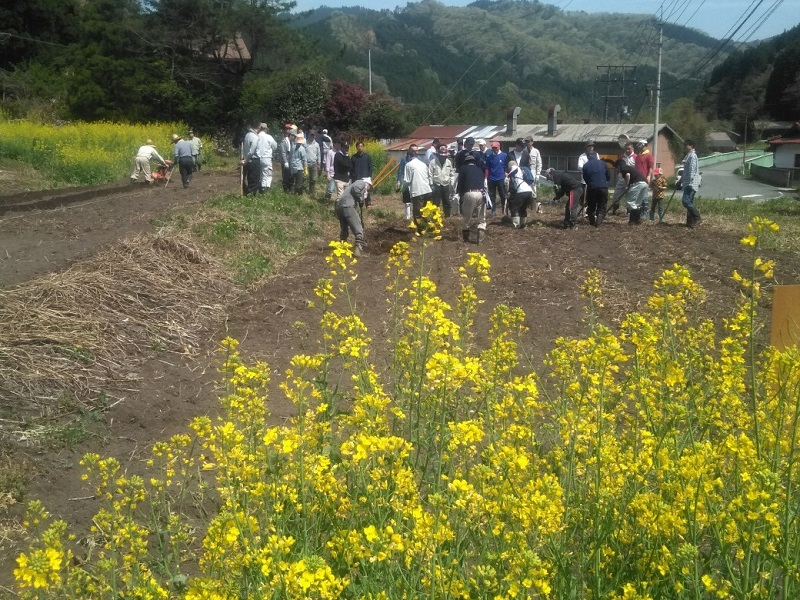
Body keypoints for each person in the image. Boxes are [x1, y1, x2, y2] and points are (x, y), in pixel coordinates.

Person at [335, 177, 372, 257]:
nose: (368, 191)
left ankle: (342, 247)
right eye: (369, 188)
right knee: (358, 227)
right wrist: (361, 199)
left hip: (340, 207)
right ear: (368, 184)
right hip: (347, 206)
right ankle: (359, 250)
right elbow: (356, 189)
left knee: (344, 228)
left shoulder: (351, 186)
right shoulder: (361, 183)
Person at [456, 153, 487, 243]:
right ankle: (480, 239)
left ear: (466, 162)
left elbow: (460, 183)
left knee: (467, 217)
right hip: (481, 193)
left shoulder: (463, 169)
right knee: (481, 218)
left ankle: (466, 239)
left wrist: (460, 194)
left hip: (469, 193)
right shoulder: (479, 170)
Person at [402, 146, 432, 227]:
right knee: (426, 212)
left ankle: (420, 231)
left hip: (418, 191)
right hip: (428, 190)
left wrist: (402, 188)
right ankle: (430, 228)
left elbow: (407, 180)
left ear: (408, 156)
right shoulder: (423, 164)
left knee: (417, 213)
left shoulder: (408, 165)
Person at [616, 159, 649, 225]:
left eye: (617, 167)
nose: (617, 170)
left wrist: (626, 185)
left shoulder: (624, 168)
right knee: (637, 203)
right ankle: (637, 220)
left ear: (619, 166)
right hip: (644, 183)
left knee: (630, 202)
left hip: (637, 183)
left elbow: (628, 175)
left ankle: (632, 220)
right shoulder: (629, 167)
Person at [581, 154, 610, 227]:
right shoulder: (603, 163)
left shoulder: (586, 166)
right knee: (602, 204)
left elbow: (585, 177)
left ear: (588, 158)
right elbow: (608, 175)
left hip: (592, 188)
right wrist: (605, 181)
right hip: (603, 187)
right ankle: (598, 222)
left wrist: (589, 183)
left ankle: (592, 222)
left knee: (591, 205)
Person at [609, 142, 636, 214]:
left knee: (630, 196)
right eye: (626, 149)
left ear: (632, 148)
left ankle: (629, 211)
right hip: (621, 179)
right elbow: (618, 167)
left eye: (629, 149)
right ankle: (615, 210)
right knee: (616, 195)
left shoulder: (636, 157)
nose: (627, 150)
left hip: (631, 180)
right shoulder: (621, 157)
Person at [679, 139, 702, 228]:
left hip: (691, 182)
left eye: (686, 145)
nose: (685, 147)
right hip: (688, 181)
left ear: (691, 146)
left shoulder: (692, 156)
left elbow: (692, 169)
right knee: (690, 202)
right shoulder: (689, 156)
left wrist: (690, 182)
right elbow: (685, 170)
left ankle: (697, 217)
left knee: (686, 201)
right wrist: (681, 180)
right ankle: (690, 222)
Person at [429, 144, 455, 217]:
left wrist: (452, 184)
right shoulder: (433, 162)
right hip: (436, 185)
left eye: (444, 156)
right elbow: (430, 174)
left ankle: (447, 216)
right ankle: (435, 217)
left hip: (446, 185)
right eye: (441, 155)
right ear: (438, 155)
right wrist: (431, 185)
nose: (443, 157)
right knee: (436, 203)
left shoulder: (449, 162)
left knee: (446, 202)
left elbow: (452, 174)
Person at [506, 160, 534, 229]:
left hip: (521, 191)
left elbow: (510, 184)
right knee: (523, 209)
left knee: (514, 208)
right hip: (529, 190)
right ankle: (523, 224)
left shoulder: (514, 168)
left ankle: (516, 225)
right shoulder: (522, 169)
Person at [485, 141, 508, 217]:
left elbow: (506, 167)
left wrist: (507, 176)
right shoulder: (489, 157)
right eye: (493, 148)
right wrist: (486, 178)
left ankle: (504, 210)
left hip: (501, 178)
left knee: (503, 195)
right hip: (491, 179)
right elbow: (487, 168)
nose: (494, 149)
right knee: (492, 196)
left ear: (499, 147)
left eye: (495, 147)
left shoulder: (504, 156)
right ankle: (493, 210)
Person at [396, 143, 419, 219]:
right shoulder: (404, 160)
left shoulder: (419, 160)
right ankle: (407, 217)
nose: (415, 152)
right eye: (414, 151)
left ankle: (416, 216)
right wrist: (399, 181)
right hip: (406, 182)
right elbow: (400, 171)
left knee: (416, 200)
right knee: (407, 201)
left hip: (415, 182)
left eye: (417, 150)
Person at [241, 122, 261, 196]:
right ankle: (251, 195)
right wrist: (246, 160)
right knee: (254, 179)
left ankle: (248, 192)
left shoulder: (247, 135)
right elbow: (252, 151)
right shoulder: (254, 137)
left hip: (248, 159)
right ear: (258, 127)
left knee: (250, 178)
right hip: (253, 160)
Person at [257, 123, 278, 192]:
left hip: (257, 157)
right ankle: (265, 188)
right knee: (267, 173)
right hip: (266, 157)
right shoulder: (268, 137)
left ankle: (259, 186)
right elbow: (275, 146)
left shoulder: (257, 136)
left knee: (260, 173)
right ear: (265, 129)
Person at [288, 130, 307, 194]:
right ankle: (298, 195)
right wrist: (306, 169)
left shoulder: (292, 147)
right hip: (299, 168)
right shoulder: (302, 149)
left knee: (293, 181)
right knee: (299, 182)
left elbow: (290, 157)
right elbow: (304, 160)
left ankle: (292, 192)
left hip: (293, 167)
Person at [278, 124, 294, 192]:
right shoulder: (284, 141)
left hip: (290, 161)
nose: (288, 130)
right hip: (286, 162)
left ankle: (289, 188)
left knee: (290, 176)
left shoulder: (291, 142)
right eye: (287, 129)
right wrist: (285, 161)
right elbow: (283, 152)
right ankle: (285, 190)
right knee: (285, 176)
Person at [305, 130, 321, 195]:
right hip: (306, 163)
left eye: (313, 135)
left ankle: (311, 191)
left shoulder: (317, 144)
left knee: (313, 179)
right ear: (309, 135)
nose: (312, 136)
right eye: (311, 135)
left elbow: (318, 154)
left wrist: (319, 164)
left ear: (315, 136)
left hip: (314, 163)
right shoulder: (305, 143)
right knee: (305, 177)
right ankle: (302, 190)